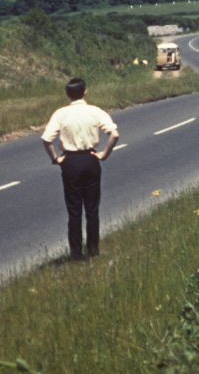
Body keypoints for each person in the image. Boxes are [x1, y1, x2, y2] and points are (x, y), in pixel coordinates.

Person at [41, 77, 119, 260]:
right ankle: (93, 249)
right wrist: (104, 154)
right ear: (85, 92)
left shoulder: (60, 114)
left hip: (70, 161)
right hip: (90, 159)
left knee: (74, 210)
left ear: (68, 95)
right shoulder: (95, 111)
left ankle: (76, 252)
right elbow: (114, 134)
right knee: (92, 209)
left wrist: (56, 159)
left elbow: (46, 139)